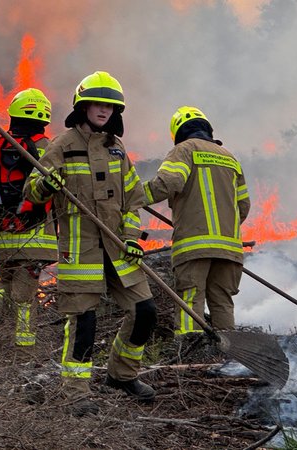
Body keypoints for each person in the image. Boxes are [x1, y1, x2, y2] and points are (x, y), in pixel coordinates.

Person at [24, 71, 157, 409]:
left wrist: (129, 236)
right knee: (84, 321)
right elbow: (32, 190)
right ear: (83, 106)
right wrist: (47, 185)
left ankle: (122, 375)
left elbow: (133, 199)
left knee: (145, 311)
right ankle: (76, 395)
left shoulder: (117, 149)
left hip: (117, 247)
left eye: (111, 106)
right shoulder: (62, 146)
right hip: (80, 249)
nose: (104, 110)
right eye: (97, 104)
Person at [143, 106, 250, 340]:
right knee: (222, 302)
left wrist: (133, 197)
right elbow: (244, 207)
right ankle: (226, 359)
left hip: (194, 246)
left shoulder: (184, 150)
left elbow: (167, 183)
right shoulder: (230, 158)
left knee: (190, 300)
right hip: (230, 248)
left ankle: (190, 357)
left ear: (178, 132)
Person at [0, 88, 58, 352]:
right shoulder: (48, 148)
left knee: (5, 284)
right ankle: (24, 352)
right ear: (44, 119)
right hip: (34, 238)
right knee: (25, 299)